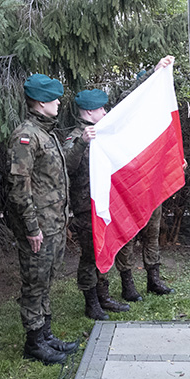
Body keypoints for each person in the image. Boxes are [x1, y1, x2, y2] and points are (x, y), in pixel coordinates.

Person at [6, 73, 78, 365]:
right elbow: (18, 187)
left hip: (54, 223)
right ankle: (34, 343)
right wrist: (32, 228)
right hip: (38, 227)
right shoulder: (25, 136)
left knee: (47, 279)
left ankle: (46, 335)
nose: (59, 102)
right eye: (54, 98)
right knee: (34, 283)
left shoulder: (45, 133)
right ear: (39, 102)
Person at [64, 89, 130, 319]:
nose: (105, 111)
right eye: (101, 108)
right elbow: (67, 168)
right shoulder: (75, 137)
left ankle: (103, 296)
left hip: (104, 203)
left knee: (104, 250)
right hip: (85, 207)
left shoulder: (102, 133)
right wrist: (82, 143)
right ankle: (91, 302)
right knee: (90, 255)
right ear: (90, 111)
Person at [115, 56, 177, 302]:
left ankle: (154, 279)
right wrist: (153, 73)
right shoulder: (125, 115)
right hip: (131, 185)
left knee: (152, 232)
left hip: (153, 184)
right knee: (129, 234)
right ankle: (127, 283)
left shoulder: (155, 117)